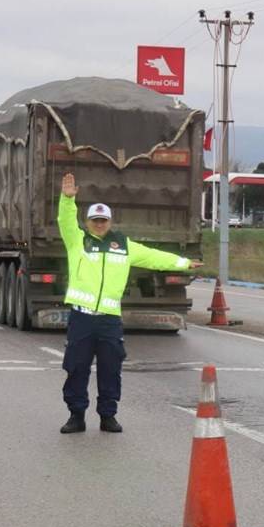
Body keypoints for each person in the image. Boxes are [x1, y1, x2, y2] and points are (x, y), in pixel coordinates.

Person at [57, 173, 203, 434]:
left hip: (109, 319)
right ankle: (76, 415)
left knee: (110, 369)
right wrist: (68, 200)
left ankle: (108, 416)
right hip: (82, 318)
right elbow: (65, 220)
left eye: (103, 220)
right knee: (77, 367)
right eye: (95, 220)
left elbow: (153, 257)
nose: (99, 224)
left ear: (110, 221)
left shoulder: (123, 246)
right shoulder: (77, 242)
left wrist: (182, 263)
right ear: (88, 222)